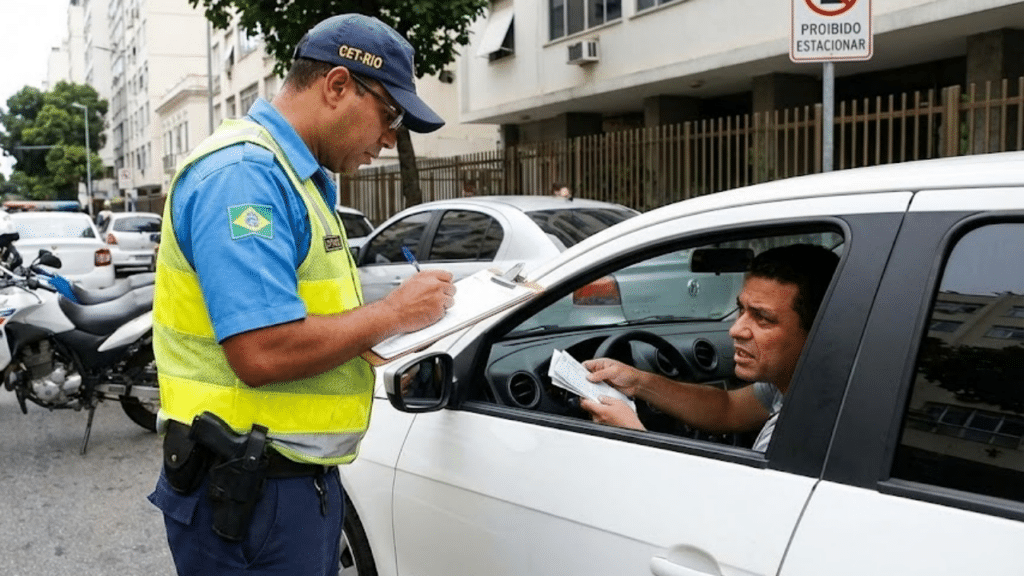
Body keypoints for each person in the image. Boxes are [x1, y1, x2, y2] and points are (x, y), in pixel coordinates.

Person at [147, 14, 455, 576]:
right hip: (250, 493)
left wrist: (381, 353)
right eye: (390, 114)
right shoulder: (245, 176)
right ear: (337, 85)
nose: (391, 138)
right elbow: (263, 351)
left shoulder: (298, 178)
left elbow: (309, 318)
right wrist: (393, 312)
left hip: (282, 483)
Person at [580, 244, 838, 452]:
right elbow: (727, 408)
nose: (736, 330)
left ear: (818, 330)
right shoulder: (798, 384)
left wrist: (632, 435)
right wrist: (638, 382)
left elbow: (732, 503)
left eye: (762, 318)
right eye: (741, 309)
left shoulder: (803, 431)